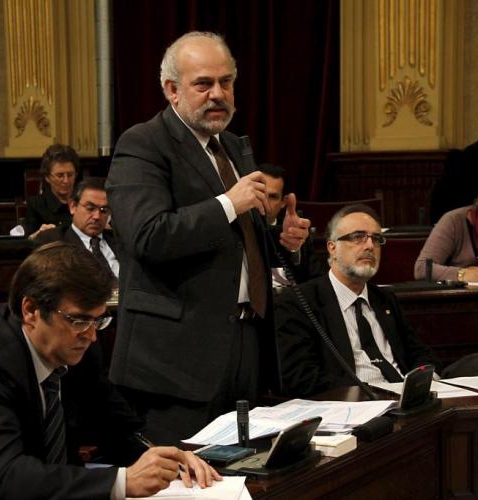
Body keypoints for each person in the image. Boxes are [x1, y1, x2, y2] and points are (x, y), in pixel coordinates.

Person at [0, 242, 218, 499]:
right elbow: (4, 478)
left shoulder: (75, 344)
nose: (91, 335)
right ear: (30, 310)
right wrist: (122, 482)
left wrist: (167, 458)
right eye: (79, 320)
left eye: (98, 320)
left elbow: (117, 425)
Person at [105, 31, 311, 444]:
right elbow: (147, 235)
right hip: (175, 360)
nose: (218, 94)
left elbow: (237, 242)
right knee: (185, 472)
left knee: (243, 469)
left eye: (226, 82)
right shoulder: (142, 143)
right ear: (172, 90)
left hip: (244, 341)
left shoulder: (232, 146)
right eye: (203, 84)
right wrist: (228, 203)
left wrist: (283, 243)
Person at [276, 204, 478, 397]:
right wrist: (373, 393)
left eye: (376, 239)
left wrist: (419, 383)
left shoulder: (384, 298)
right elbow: (300, 377)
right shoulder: (301, 302)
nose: (369, 246)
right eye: (358, 237)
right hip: (358, 404)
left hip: (405, 400)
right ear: (332, 248)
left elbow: (421, 353)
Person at [36, 178, 120, 280]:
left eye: (104, 210)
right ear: (73, 206)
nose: (97, 216)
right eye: (90, 208)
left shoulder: (119, 240)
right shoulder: (53, 241)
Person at [260, 163, 325, 287]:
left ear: (283, 202)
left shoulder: (296, 233)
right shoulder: (235, 230)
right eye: (261, 194)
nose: (265, 202)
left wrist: (294, 249)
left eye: (273, 197)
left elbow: (316, 281)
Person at [26, 143, 80, 238]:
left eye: (70, 175)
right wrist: (39, 234)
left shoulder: (83, 202)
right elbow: (29, 240)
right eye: (60, 175)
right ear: (47, 177)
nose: (66, 181)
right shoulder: (36, 205)